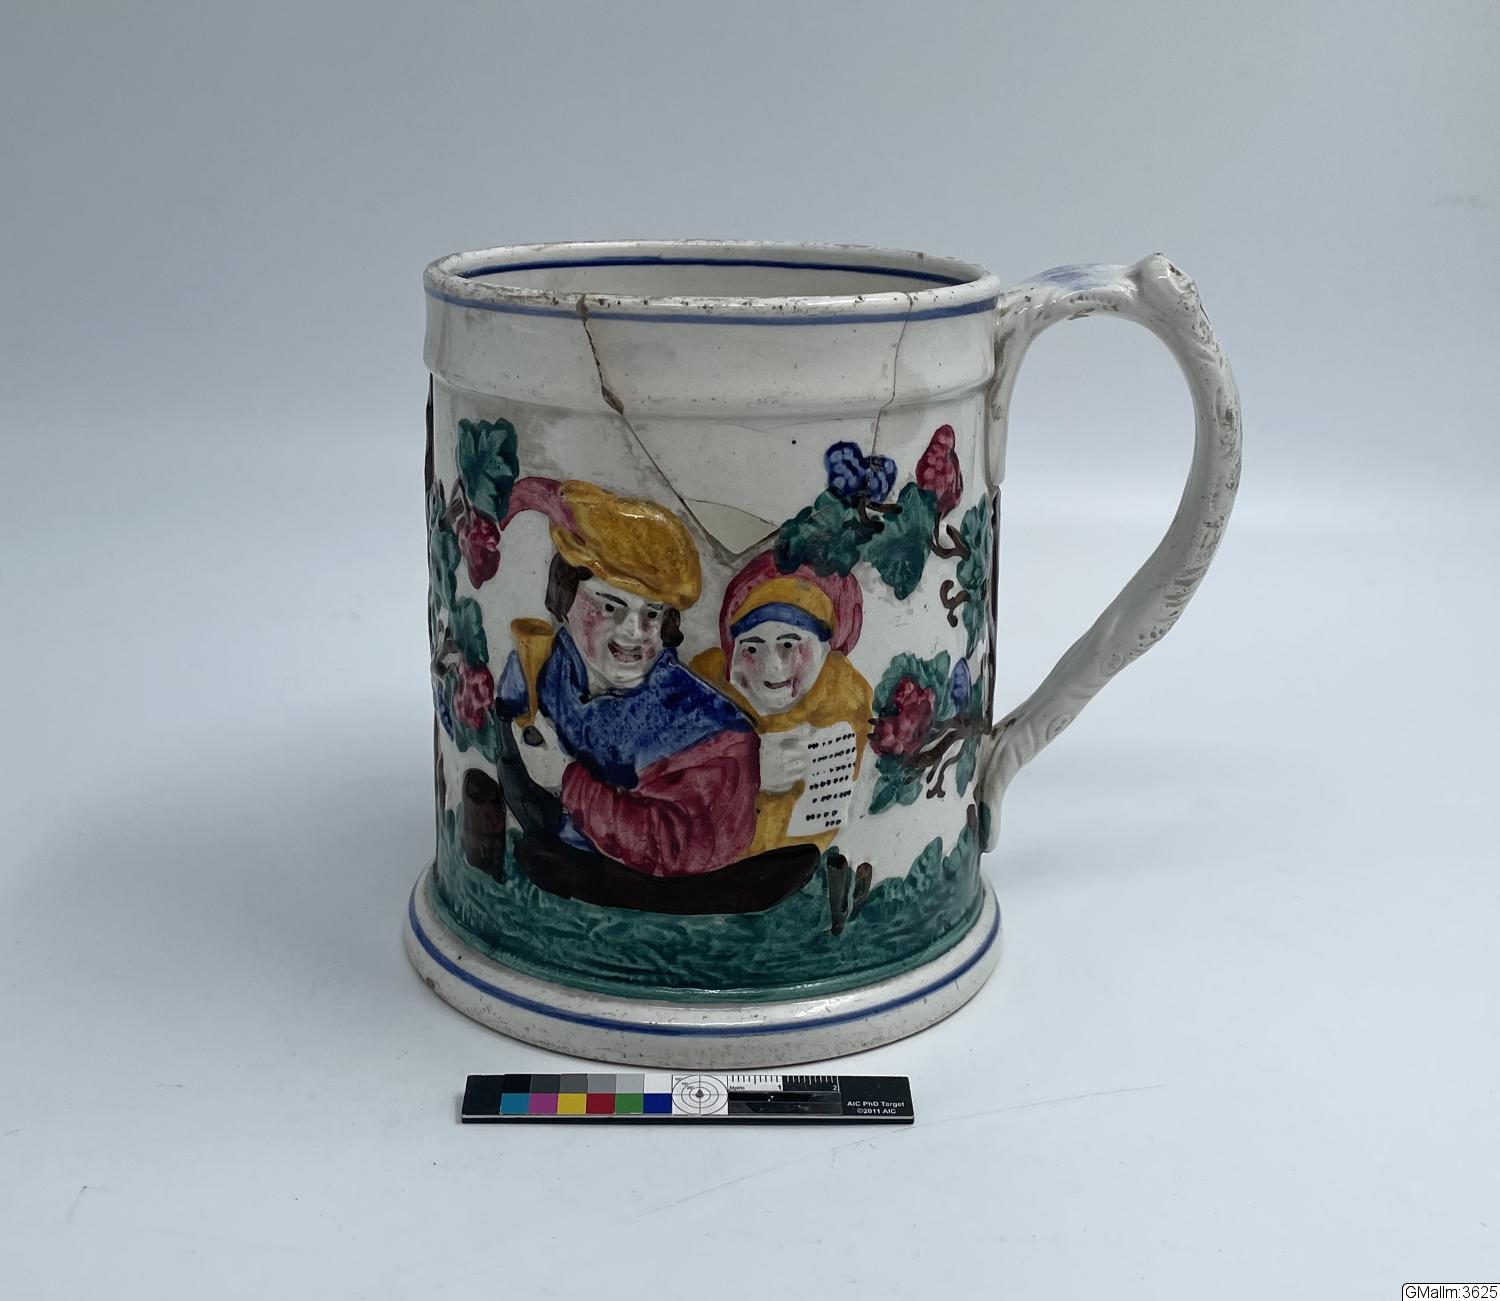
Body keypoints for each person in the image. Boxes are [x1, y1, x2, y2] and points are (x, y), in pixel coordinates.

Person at [495, 479, 759, 877]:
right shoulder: (540, 669)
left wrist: (567, 779)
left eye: (652, 613)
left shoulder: (718, 738)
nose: (634, 631)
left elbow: (689, 851)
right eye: (609, 606)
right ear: (565, 596)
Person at [691, 553, 873, 856]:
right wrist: (746, 774)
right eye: (751, 648)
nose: (772, 668)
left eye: (789, 645)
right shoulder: (703, 687)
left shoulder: (842, 700)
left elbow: (816, 830)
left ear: (825, 648)